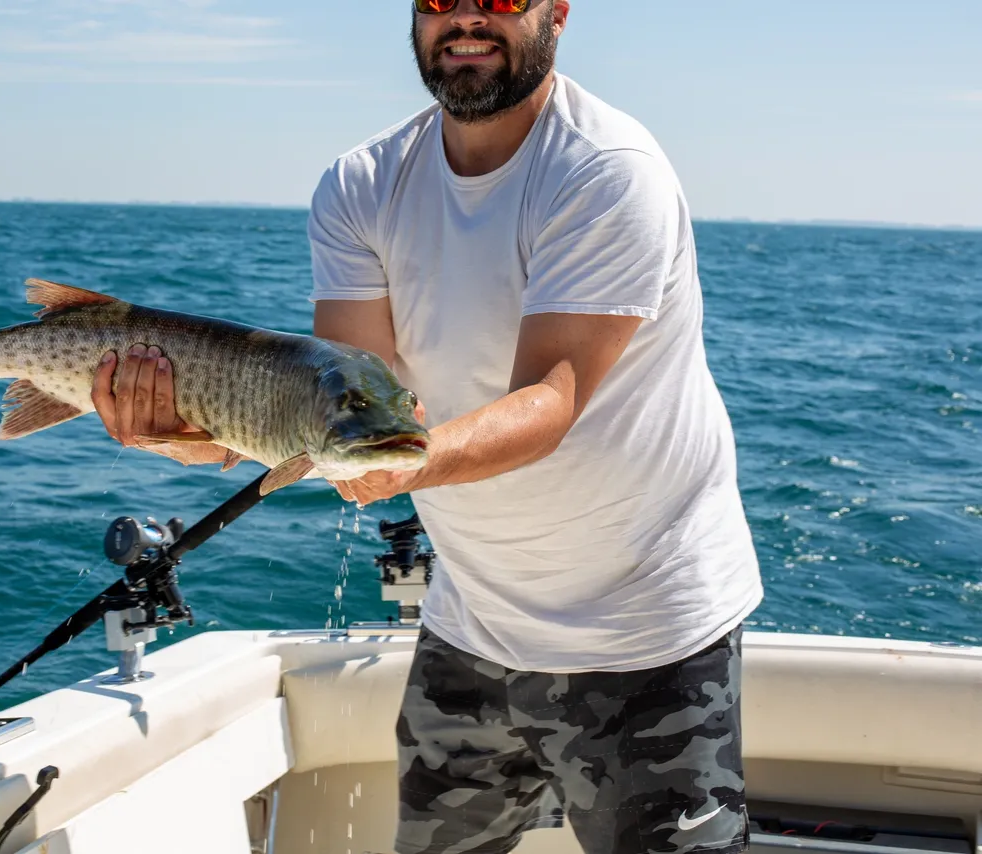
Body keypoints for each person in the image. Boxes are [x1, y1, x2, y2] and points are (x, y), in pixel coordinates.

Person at [91, 1, 763, 852]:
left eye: (503, 0)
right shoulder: (363, 182)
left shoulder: (606, 170)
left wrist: (399, 465)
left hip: (649, 635)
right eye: (441, 0)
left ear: (557, 12)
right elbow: (344, 398)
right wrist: (184, 430)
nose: (469, 18)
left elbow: (550, 400)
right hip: (471, 621)